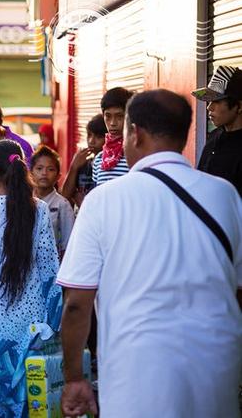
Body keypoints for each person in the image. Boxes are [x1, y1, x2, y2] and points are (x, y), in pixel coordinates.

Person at [57, 89, 242, 418]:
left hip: (138, 375)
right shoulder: (224, 194)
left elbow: (76, 304)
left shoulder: (103, 200)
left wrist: (74, 379)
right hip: (217, 368)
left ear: (134, 132)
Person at [0, 139, 62, 417]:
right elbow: (50, 269)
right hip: (31, 316)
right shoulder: (39, 209)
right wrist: (54, 322)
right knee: (29, 384)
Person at [192, 65, 242, 196]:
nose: (209, 107)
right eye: (209, 101)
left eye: (217, 101)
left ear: (239, 106)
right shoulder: (214, 136)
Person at [31, 146, 75, 258]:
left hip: (53, 264)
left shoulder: (62, 205)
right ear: (31, 174)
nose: (44, 173)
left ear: (58, 176)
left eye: (50, 169)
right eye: (39, 168)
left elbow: (68, 242)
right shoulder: (24, 201)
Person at [61, 114, 107, 207]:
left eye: (98, 137)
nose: (91, 141)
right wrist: (74, 167)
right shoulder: (83, 163)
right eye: (89, 135)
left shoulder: (109, 165)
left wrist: (84, 203)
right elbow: (64, 197)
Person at [91, 87, 134, 186]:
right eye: (108, 116)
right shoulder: (98, 160)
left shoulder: (136, 156)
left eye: (119, 116)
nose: (113, 123)